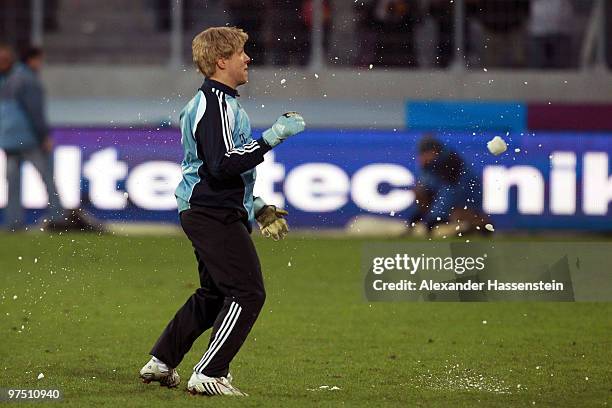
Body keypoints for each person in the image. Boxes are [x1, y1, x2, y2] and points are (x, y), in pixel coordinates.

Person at [139, 27, 305, 396]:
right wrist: (273, 136)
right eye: (242, 53)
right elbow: (220, 165)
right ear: (221, 61)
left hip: (210, 207)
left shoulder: (219, 103)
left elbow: (217, 167)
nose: (248, 59)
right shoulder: (214, 104)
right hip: (212, 211)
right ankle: (210, 372)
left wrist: (256, 206)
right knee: (247, 292)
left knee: (214, 293)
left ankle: (163, 361)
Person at [0, 44, 62, 231]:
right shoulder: (27, 79)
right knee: (46, 177)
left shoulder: (7, 80)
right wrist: (44, 136)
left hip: (9, 139)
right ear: (33, 59)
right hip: (27, 138)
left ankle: (13, 222)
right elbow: (35, 111)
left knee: (13, 182)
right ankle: (57, 217)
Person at [408, 136, 489, 237]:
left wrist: (434, 219)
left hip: (465, 200)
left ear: (434, 152)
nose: (422, 158)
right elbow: (426, 189)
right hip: (446, 201)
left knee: (457, 215)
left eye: (424, 154)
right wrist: (417, 216)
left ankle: (479, 224)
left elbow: (449, 194)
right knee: (419, 191)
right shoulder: (430, 165)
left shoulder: (452, 164)